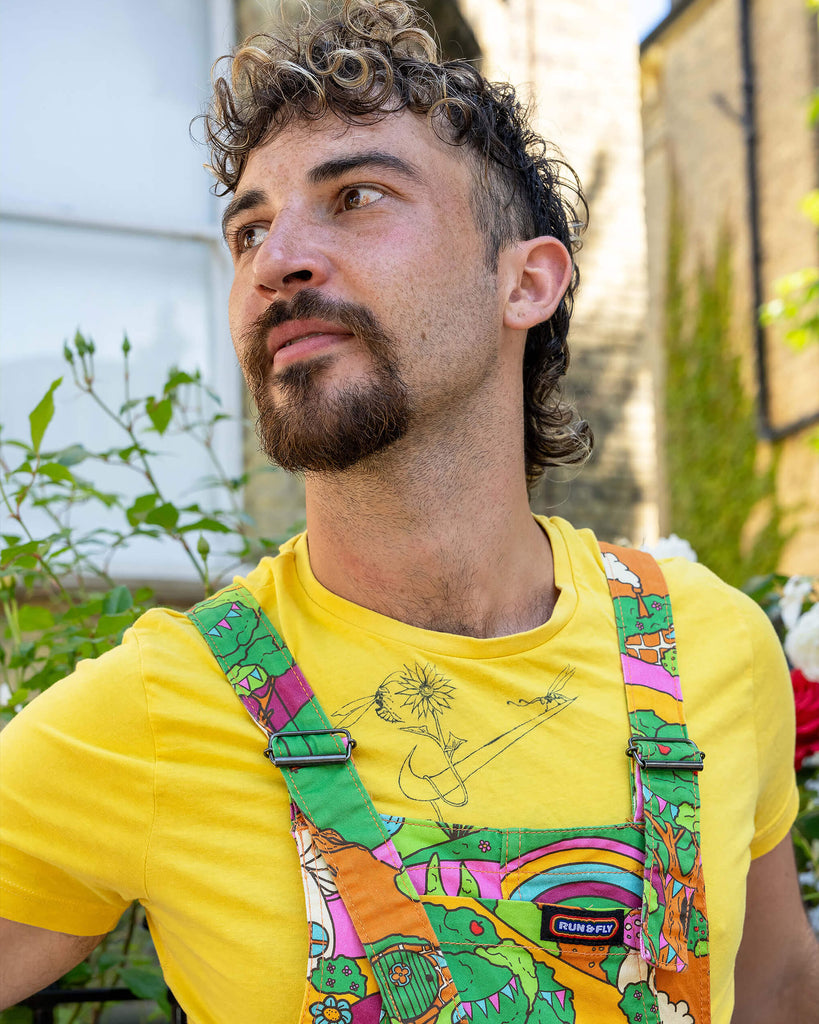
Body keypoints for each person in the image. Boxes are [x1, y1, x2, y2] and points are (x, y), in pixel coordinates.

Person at [1, 2, 817, 1021]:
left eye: (356, 196)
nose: (275, 260)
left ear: (526, 282)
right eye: (249, 228)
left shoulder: (714, 647)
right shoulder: (164, 707)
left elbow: (780, 987)